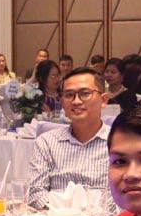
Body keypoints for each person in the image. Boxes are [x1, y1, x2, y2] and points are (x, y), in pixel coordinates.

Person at [24, 68, 111, 208]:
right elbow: (35, 193)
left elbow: (124, 196)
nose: (76, 101)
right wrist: (68, 214)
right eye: (69, 95)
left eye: (85, 93)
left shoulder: (118, 143)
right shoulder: (47, 142)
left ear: (104, 100)